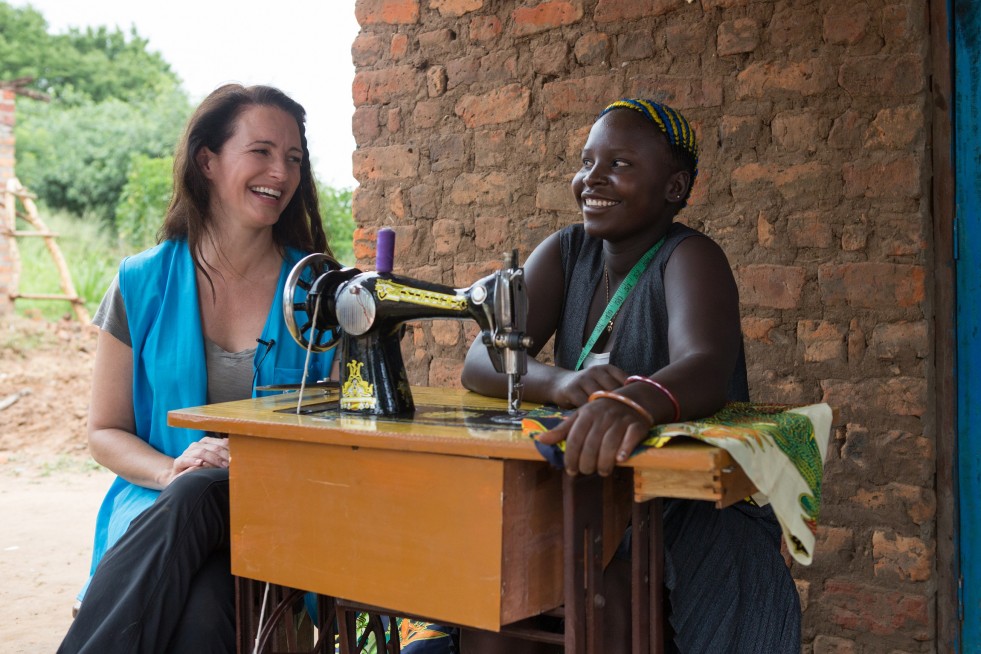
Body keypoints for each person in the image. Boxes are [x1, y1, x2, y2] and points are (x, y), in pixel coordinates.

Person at [460, 99, 801, 652]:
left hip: (688, 515)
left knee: (607, 596)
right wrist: (559, 383)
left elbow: (705, 367)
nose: (592, 178)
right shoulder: (568, 253)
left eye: (619, 164)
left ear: (674, 188)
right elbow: (482, 360)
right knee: (493, 595)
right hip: (596, 505)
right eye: (587, 161)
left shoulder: (690, 257)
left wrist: (636, 403)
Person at [59, 84, 337, 653]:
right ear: (207, 160)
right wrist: (171, 471)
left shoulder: (319, 293)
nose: (279, 173)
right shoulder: (140, 284)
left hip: (279, 508)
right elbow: (104, 432)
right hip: (158, 506)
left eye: (292, 159)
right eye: (260, 151)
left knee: (202, 501)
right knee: (206, 605)